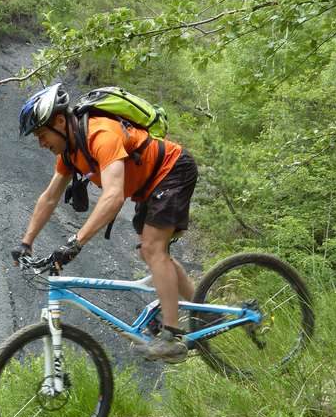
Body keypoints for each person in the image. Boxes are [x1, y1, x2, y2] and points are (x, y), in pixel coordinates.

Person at [12, 83, 198, 362]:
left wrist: (76, 242)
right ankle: (202, 309)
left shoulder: (101, 134)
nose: (41, 142)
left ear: (60, 121)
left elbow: (113, 196)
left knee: (152, 249)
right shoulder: (70, 152)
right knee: (153, 251)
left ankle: (172, 336)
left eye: (41, 134)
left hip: (172, 170)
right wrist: (25, 243)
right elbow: (50, 198)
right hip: (149, 187)